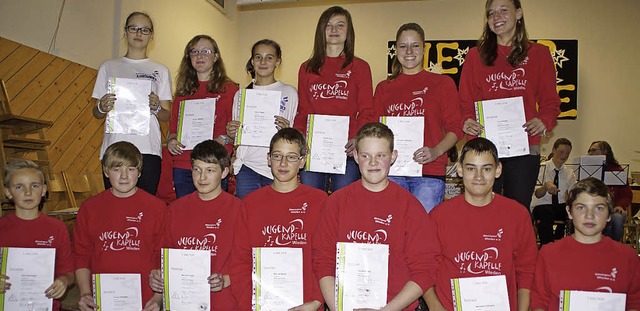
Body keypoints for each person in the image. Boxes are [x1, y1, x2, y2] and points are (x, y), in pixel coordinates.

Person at [313, 122, 439, 310]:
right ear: (355, 156)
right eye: (366, 156)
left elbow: (425, 269)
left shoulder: (409, 206)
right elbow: (323, 261)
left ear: (393, 156)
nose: (373, 162)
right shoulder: (336, 203)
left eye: (381, 155)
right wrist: (339, 308)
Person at [459, 0, 561, 209]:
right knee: (483, 207)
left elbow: (550, 101)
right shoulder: (474, 56)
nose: (497, 17)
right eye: (491, 13)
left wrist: (543, 120)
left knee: (519, 210)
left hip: (524, 145)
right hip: (485, 146)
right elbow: (464, 101)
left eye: (503, 11)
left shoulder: (539, 54)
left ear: (519, 14)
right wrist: (466, 121)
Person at [423, 137, 538, 311]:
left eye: (486, 169)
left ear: (498, 170)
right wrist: (435, 307)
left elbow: (527, 270)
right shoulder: (439, 216)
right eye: (471, 168)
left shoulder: (517, 214)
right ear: (460, 169)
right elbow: (424, 267)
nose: (478, 177)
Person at [230, 128, 327, 310]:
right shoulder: (250, 203)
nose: (283, 163)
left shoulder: (320, 201)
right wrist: (249, 305)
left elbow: (326, 259)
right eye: (277, 156)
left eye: (291, 157)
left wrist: (316, 301)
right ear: (268, 159)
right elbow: (240, 261)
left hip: (307, 305)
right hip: (260, 304)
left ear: (302, 162)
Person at [374, 22, 462, 212]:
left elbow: (456, 128)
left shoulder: (443, 84)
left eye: (415, 45)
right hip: (392, 171)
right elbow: (374, 131)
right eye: (403, 46)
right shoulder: (383, 88)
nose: (409, 51)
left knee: (422, 233)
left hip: (429, 172)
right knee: (393, 230)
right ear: (395, 49)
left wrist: (436, 151)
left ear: (424, 48)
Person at [73, 141, 166, 311]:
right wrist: (85, 293)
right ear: (106, 172)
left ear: (139, 172)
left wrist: (157, 299)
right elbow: (81, 256)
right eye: (117, 169)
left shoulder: (157, 208)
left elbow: (163, 258)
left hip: (146, 301)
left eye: (130, 169)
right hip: (102, 298)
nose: (124, 176)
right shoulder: (89, 208)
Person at [149, 140, 240, 310]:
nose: (202, 177)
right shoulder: (175, 209)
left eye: (210, 170)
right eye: (197, 170)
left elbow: (249, 262)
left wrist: (227, 279)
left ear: (224, 172)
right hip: (182, 301)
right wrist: (157, 279)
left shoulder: (239, 210)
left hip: (224, 302)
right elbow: (163, 254)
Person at [295, 6, 375, 193]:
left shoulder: (360, 67)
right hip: (313, 149)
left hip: (347, 149)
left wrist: (358, 138)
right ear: (321, 31)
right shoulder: (306, 68)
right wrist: (300, 138)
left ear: (348, 32)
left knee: (344, 203)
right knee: (311, 202)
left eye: (340, 25)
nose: (334, 30)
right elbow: (303, 110)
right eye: (328, 25)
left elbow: (367, 111)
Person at [91, 11, 172, 196]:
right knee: (115, 206)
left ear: (151, 36)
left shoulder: (160, 70)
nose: (138, 33)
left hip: (147, 148)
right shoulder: (108, 67)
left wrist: (157, 107)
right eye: (133, 28)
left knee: (145, 206)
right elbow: (96, 112)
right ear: (125, 32)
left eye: (144, 30)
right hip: (115, 147)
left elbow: (166, 115)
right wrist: (102, 107)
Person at [530, 177, 640, 310]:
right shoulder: (548, 254)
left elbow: (634, 303)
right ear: (569, 212)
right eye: (581, 207)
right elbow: (539, 303)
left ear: (609, 214)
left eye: (599, 208)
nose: (590, 215)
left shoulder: (628, 257)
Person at [167, 35, 238, 198]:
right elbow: (172, 130)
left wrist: (225, 139)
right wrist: (171, 141)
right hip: (185, 163)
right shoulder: (182, 92)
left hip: (215, 163)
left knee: (214, 218)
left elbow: (237, 134)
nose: (200, 56)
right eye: (194, 52)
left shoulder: (231, 90)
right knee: (186, 215)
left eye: (206, 51)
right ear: (188, 57)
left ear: (216, 57)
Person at [225, 39, 298, 199]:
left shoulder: (289, 92)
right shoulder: (241, 95)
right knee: (249, 218)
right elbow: (236, 138)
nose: (263, 62)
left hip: (279, 167)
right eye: (258, 57)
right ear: (252, 61)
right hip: (247, 167)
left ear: (278, 61)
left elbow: (296, 136)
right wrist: (231, 132)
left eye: (269, 57)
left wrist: (288, 130)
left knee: (274, 218)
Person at [0, 160, 74, 311]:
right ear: (8, 192)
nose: (28, 192)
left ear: (43, 190)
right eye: (19, 187)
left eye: (34, 186)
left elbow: (68, 271)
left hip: (47, 305)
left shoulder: (57, 228)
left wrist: (63, 281)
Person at [532, 138, 576, 245]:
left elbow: (573, 195)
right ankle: (547, 247)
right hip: (542, 205)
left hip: (560, 206)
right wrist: (546, 186)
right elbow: (537, 194)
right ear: (553, 150)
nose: (564, 156)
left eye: (567, 153)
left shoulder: (569, 173)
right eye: (561, 152)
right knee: (546, 212)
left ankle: (567, 245)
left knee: (574, 212)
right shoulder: (541, 168)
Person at [587, 140, 633, 242]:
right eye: (589, 151)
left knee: (616, 219)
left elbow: (626, 194)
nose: (591, 153)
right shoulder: (587, 171)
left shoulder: (617, 171)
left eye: (594, 150)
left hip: (613, 209)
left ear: (605, 151)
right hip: (593, 209)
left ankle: (611, 248)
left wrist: (620, 205)